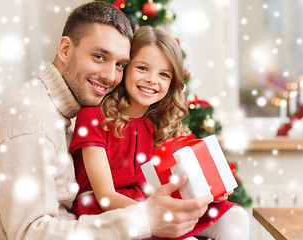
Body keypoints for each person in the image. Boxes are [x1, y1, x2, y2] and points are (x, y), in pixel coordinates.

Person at [0, 2, 213, 240]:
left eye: (120, 65)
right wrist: (144, 219)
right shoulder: (28, 115)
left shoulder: (74, 112)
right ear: (65, 49)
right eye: (99, 57)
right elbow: (30, 233)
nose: (111, 76)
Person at [69, 25, 250, 240]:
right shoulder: (93, 118)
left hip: (150, 205)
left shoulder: (157, 125)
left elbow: (172, 188)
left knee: (236, 216)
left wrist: (208, 194)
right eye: (143, 68)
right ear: (125, 68)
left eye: (164, 74)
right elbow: (105, 196)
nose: (152, 80)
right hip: (108, 211)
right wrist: (156, 215)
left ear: (172, 82)